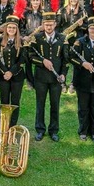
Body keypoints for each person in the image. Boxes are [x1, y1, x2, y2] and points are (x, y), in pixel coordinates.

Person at [28, 12, 69, 142]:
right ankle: (40, 129)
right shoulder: (37, 38)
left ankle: (53, 130)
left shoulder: (62, 38)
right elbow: (30, 56)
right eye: (46, 24)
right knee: (40, 105)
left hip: (56, 79)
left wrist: (63, 74)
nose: (49, 27)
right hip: (40, 78)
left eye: (51, 24)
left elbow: (65, 59)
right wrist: (42, 62)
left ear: (55, 24)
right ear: (43, 24)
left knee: (55, 105)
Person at [0, 15, 26, 126]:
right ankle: (4, 124)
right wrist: (5, 72)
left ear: (17, 29)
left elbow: (23, 59)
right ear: (6, 28)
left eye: (13, 28)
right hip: (3, 77)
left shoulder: (21, 41)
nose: (11, 30)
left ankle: (13, 125)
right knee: (4, 102)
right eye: (9, 27)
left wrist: (11, 72)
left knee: (15, 102)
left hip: (17, 77)